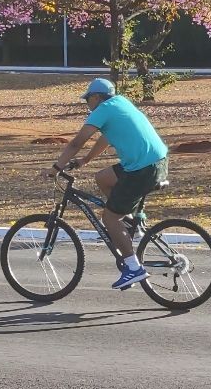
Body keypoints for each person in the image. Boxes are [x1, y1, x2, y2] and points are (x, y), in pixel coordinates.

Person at [53, 77, 168, 289]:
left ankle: (133, 267)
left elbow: (77, 142)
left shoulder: (103, 109)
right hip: (156, 163)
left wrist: (55, 167)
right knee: (102, 178)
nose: (88, 104)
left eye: (88, 99)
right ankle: (130, 223)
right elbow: (105, 139)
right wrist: (85, 161)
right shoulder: (121, 103)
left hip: (142, 170)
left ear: (96, 97)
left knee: (109, 217)